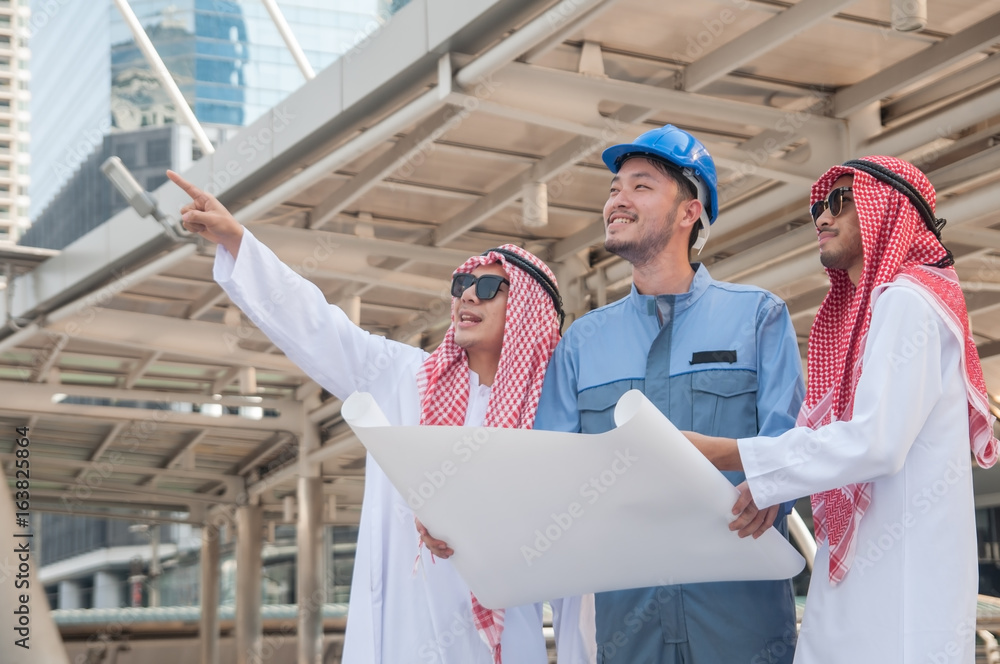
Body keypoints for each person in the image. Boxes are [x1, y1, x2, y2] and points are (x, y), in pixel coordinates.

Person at [165, 170, 596, 664]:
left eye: (490, 285)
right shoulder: (403, 378)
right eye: (462, 283)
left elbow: (572, 566)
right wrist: (239, 241)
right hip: (395, 642)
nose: (468, 295)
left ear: (527, 311)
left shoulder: (551, 416)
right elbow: (316, 325)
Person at [686, 156, 999, 663]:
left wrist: (725, 453)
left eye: (840, 202)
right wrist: (774, 481)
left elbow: (874, 442)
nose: (822, 217)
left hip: (898, 611)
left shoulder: (907, 301)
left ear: (888, 213)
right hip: (868, 600)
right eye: (817, 207)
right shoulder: (884, 309)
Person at [530, 125, 806, 663]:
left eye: (640, 186)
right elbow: (548, 473)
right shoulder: (582, 343)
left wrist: (770, 486)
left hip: (741, 623)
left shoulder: (757, 318)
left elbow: (790, 446)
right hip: (626, 627)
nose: (617, 199)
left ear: (689, 212)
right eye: (614, 188)